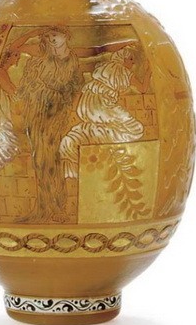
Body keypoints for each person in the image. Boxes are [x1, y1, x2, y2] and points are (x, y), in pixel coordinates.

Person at [10, 26, 133, 223]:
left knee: (55, 158)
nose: (51, 39)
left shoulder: (74, 56)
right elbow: (14, 48)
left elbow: (99, 50)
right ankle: (44, 208)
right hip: (38, 112)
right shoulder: (41, 52)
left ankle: (58, 207)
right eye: (48, 35)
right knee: (40, 159)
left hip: (59, 112)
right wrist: (33, 33)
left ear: (66, 36)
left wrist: (127, 43)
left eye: (55, 34)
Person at [60, 48, 152, 178]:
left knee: (100, 125)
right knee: (135, 128)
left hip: (88, 101)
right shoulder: (124, 72)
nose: (133, 63)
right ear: (123, 59)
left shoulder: (105, 67)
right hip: (103, 104)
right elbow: (142, 88)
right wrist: (149, 71)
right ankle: (104, 140)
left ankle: (95, 137)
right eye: (131, 59)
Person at [0, 47, 20, 170]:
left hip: (3, 106)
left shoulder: (2, 72)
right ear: (8, 57)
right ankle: (0, 167)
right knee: (4, 132)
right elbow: (10, 90)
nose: (18, 58)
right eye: (16, 55)